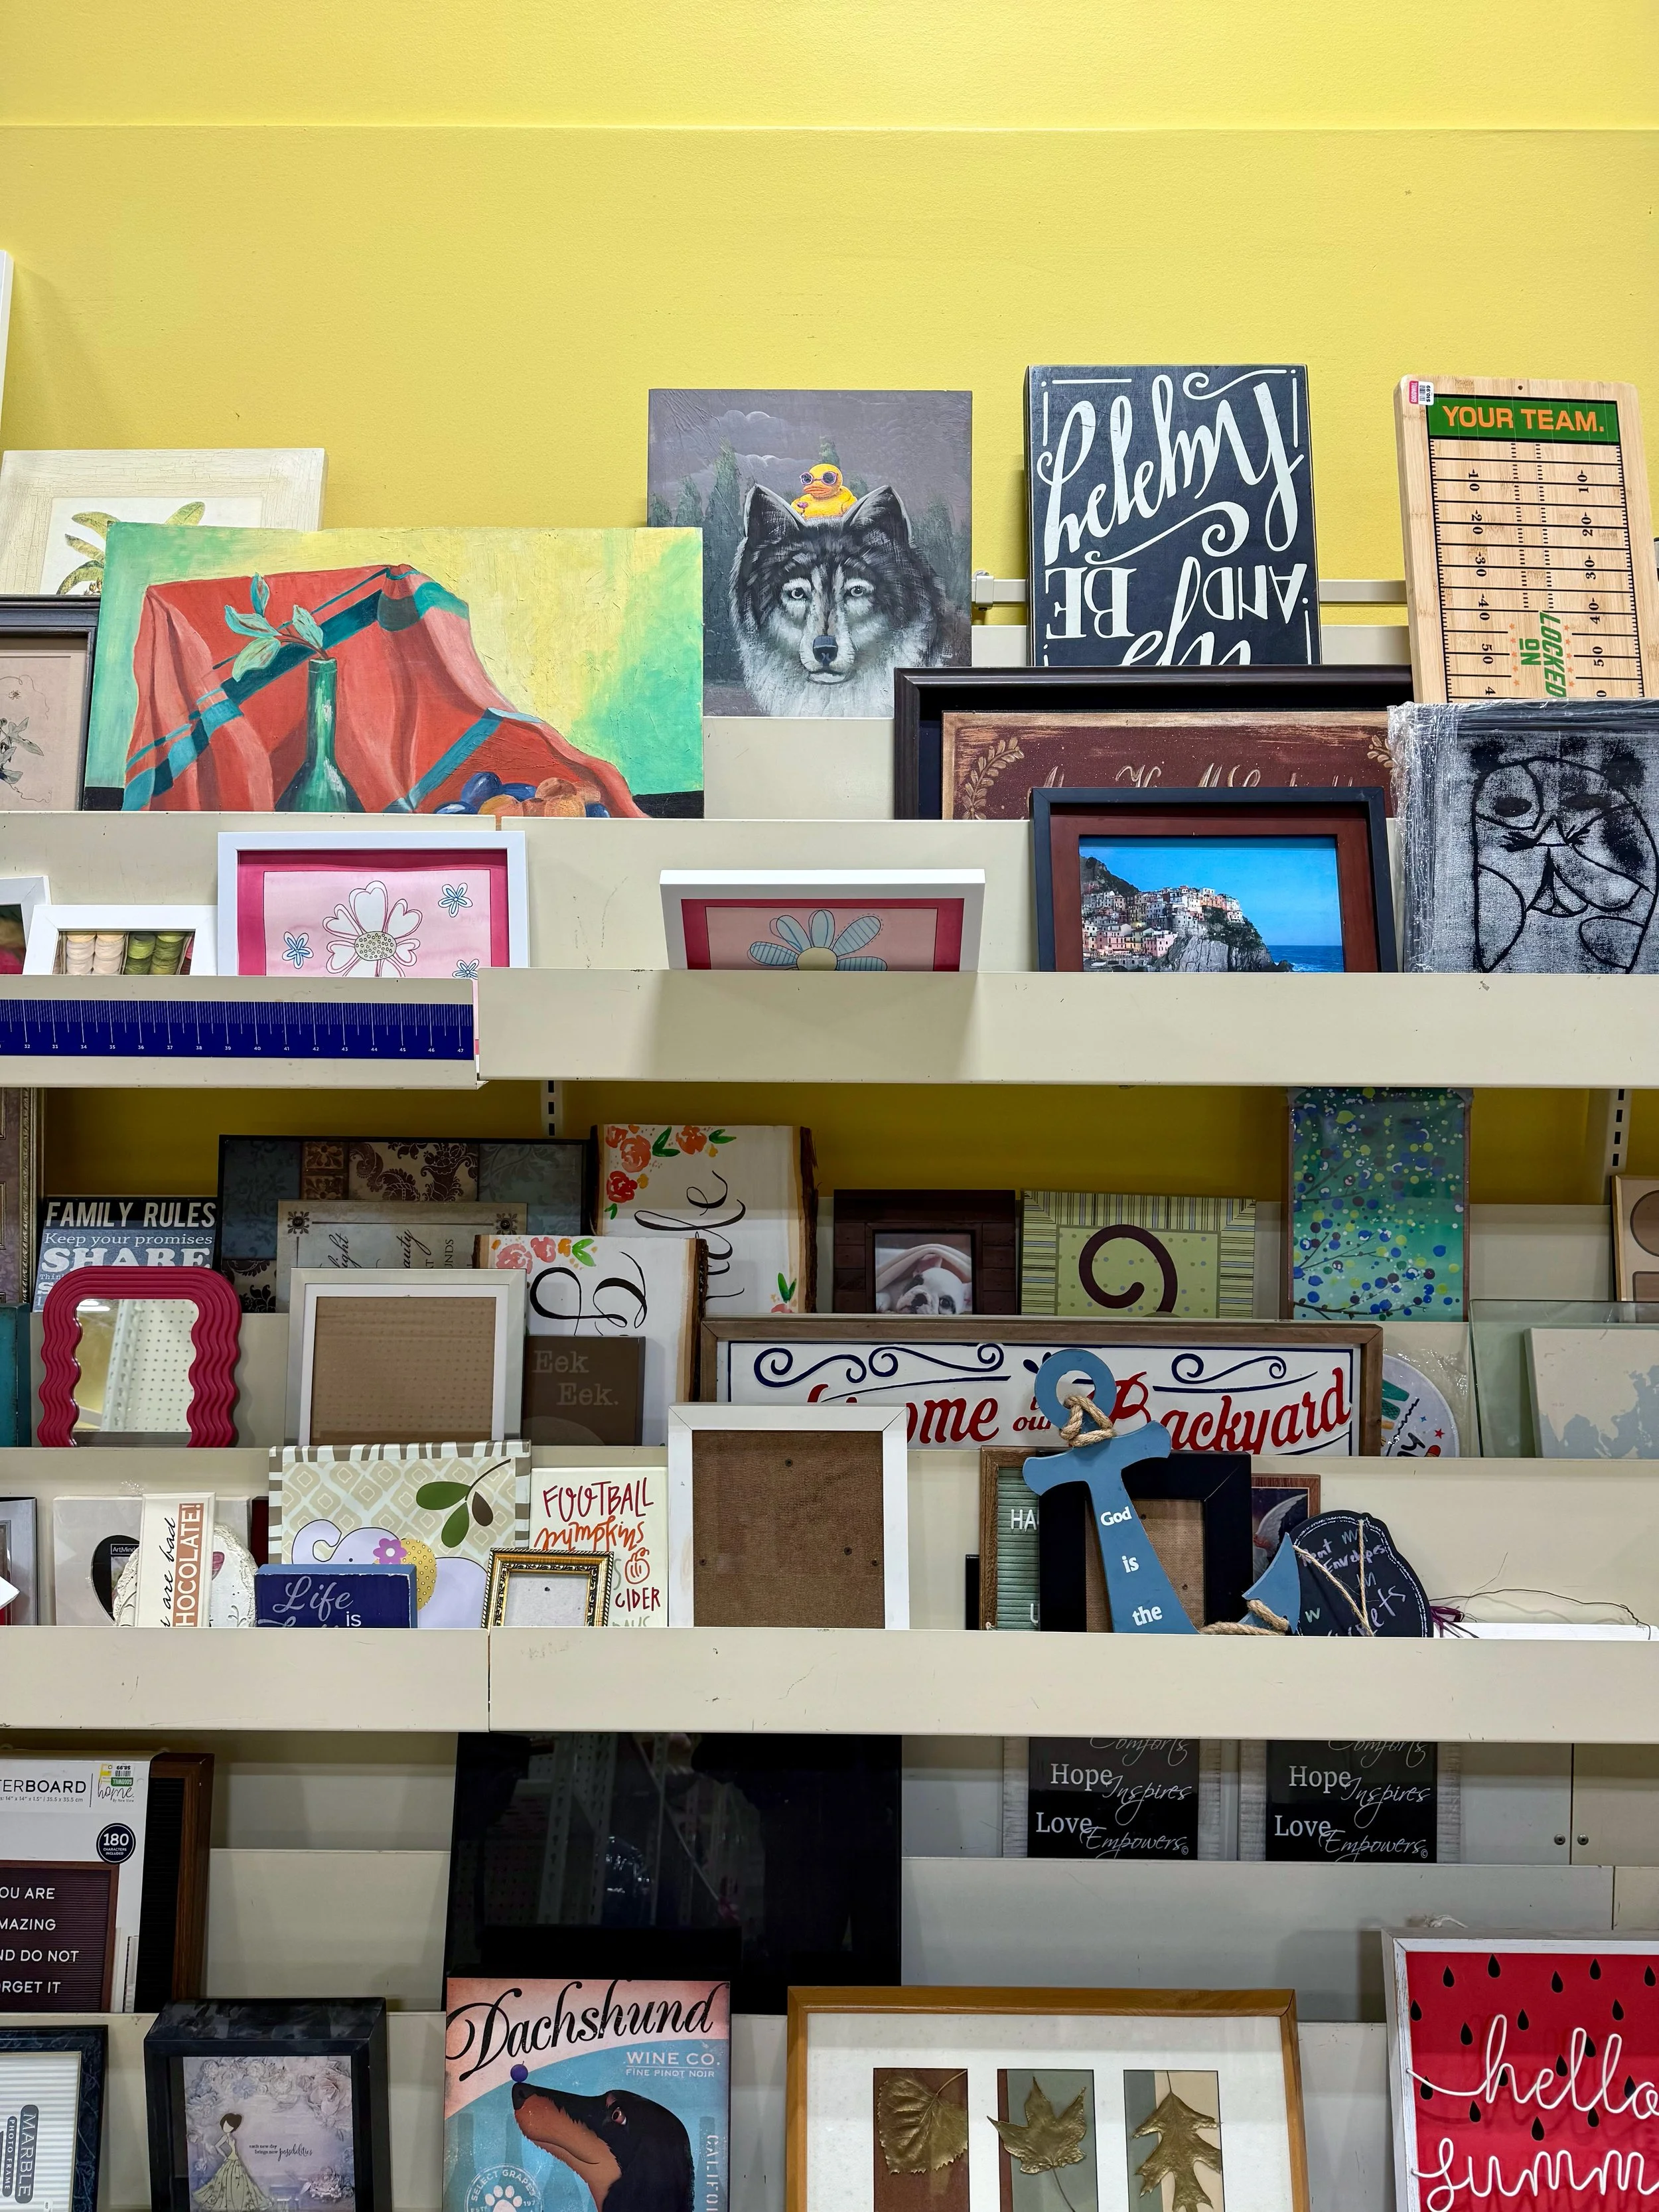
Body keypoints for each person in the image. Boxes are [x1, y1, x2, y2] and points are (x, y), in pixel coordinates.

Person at [193, 2115, 277, 2212]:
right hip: (231, 2160)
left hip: (236, 2160)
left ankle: (238, 2204)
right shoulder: (225, 2137)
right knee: (226, 2183)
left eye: (229, 2126)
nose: (227, 2128)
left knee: (242, 2183)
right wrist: (225, 2155)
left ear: (233, 2128)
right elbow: (217, 2146)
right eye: (225, 2125)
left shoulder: (231, 2137)